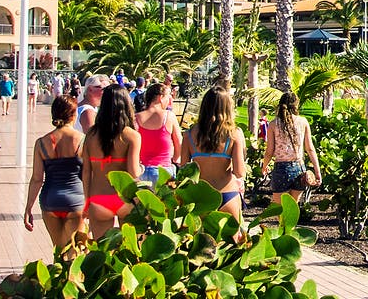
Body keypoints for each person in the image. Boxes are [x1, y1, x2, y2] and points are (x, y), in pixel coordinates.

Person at [22, 96, 86, 250]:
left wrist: (28, 207)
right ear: (73, 114)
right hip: (75, 200)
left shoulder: (41, 143)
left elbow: (37, 179)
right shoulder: (82, 140)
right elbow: (87, 175)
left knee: (58, 250)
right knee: (74, 252)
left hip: (50, 201)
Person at [81, 85, 142, 234]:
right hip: (124, 198)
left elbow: (86, 173)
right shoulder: (131, 136)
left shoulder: (91, 135)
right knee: (130, 251)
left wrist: (87, 201)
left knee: (101, 251)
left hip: (99, 197)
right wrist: (142, 168)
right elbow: (134, 173)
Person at [182, 88, 248, 217]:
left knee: (202, 237)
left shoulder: (189, 135)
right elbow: (239, 172)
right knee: (232, 237)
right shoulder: (234, 134)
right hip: (228, 194)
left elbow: (183, 170)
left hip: (201, 198)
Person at [263, 93, 320, 205]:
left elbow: (269, 151)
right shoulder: (303, 122)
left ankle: (282, 223)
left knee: (280, 209)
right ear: (296, 106)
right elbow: (310, 149)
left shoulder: (274, 124)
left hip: (281, 169)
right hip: (299, 168)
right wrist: (317, 172)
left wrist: (264, 166)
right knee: (292, 209)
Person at [135, 83, 181, 185]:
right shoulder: (169, 116)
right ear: (160, 97)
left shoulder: (136, 118)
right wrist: (176, 159)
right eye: (168, 96)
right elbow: (179, 143)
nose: (169, 99)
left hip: (140, 171)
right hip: (163, 171)